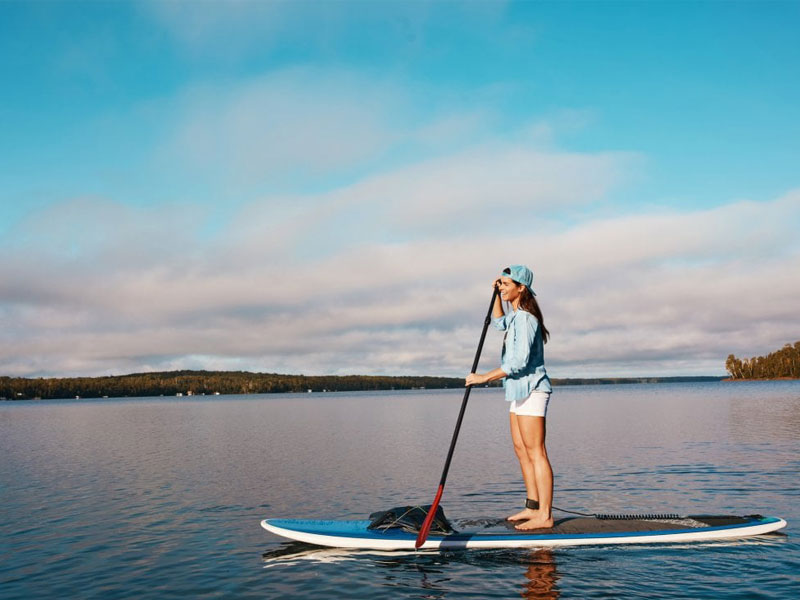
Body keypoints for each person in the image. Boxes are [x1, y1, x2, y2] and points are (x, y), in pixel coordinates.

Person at [465, 265, 553, 530]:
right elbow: (497, 323)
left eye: (505, 284)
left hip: (533, 388)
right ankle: (532, 507)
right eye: (500, 284)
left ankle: (545, 516)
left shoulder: (526, 319)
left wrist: (483, 377)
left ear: (521, 287)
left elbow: (518, 362)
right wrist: (495, 296)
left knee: (536, 452)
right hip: (516, 390)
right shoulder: (515, 317)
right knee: (520, 449)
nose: (501, 287)